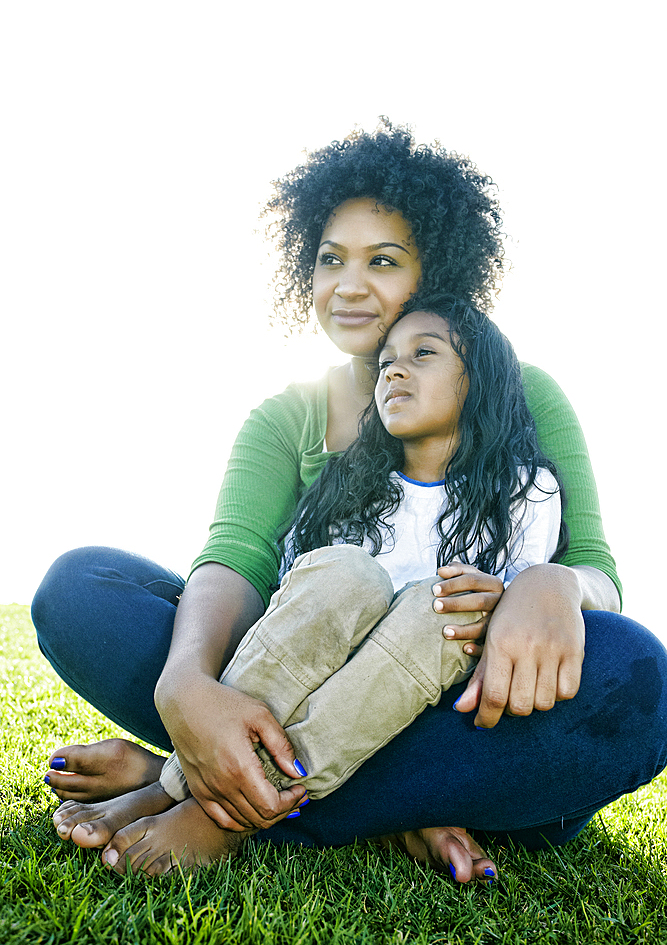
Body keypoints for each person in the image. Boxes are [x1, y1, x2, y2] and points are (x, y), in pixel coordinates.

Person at [33, 121, 667, 883]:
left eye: (384, 261)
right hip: (291, 667)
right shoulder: (287, 416)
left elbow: (593, 564)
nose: (349, 284)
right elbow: (234, 563)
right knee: (83, 589)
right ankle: (393, 800)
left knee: (636, 676)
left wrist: (554, 584)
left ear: (438, 274)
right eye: (331, 259)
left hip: (457, 698)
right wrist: (187, 688)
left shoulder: (522, 394)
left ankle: (193, 788)